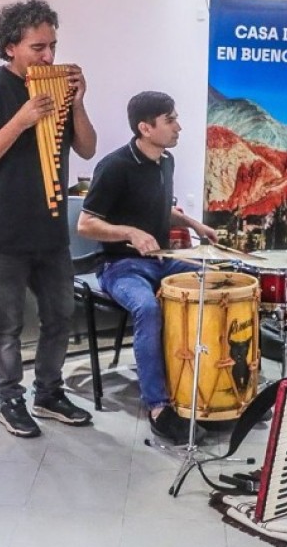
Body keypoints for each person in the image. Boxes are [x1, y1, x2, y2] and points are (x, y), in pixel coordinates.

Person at [0, 0, 97, 438]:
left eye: (52, 46)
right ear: (10, 47)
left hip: (51, 229)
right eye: (38, 47)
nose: (49, 56)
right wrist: (20, 121)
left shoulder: (59, 88)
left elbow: (87, 149)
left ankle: (49, 393)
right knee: (8, 324)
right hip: (5, 230)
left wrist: (78, 103)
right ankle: (10, 400)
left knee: (60, 316)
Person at [77, 91, 218, 445]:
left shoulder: (165, 162)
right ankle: (158, 408)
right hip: (119, 266)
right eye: (170, 120)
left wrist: (195, 225)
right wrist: (129, 232)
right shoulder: (114, 166)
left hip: (160, 260)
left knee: (216, 284)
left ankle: (211, 387)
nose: (178, 127)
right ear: (145, 127)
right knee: (147, 308)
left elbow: (157, 208)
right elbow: (86, 224)